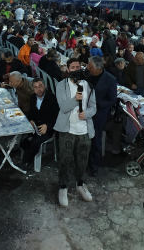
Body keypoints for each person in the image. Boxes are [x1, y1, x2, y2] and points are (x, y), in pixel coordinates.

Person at [54, 58, 96, 207]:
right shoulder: (61, 85)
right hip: (68, 129)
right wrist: (75, 99)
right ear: (68, 69)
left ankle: (80, 183)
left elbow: (93, 107)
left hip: (84, 130)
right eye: (73, 67)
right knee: (65, 159)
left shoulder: (88, 86)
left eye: (78, 66)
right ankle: (63, 186)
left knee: (82, 160)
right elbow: (63, 107)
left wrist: (87, 113)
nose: (76, 69)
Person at [85, 56, 118, 177]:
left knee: (95, 140)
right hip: (84, 110)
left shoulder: (110, 80)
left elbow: (112, 100)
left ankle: (93, 165)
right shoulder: (87, 74)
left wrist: (98, 104)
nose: (88, 68)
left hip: (99, 113)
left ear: (98, 69)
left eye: (90, 67)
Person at [21, 78, 59, 168]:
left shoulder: (52, 98)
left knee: (35, 142)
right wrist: (30, 120)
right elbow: (31, 113)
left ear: (44, 86)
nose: (39, 89)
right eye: (36, 87)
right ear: (33, 89)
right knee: (20, 138)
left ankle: (27, 161)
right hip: (35, 125)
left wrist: (47, 125)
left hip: (48, 127)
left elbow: (56, 117)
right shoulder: (32, 97)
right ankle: (31, 151)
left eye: (40, 86)